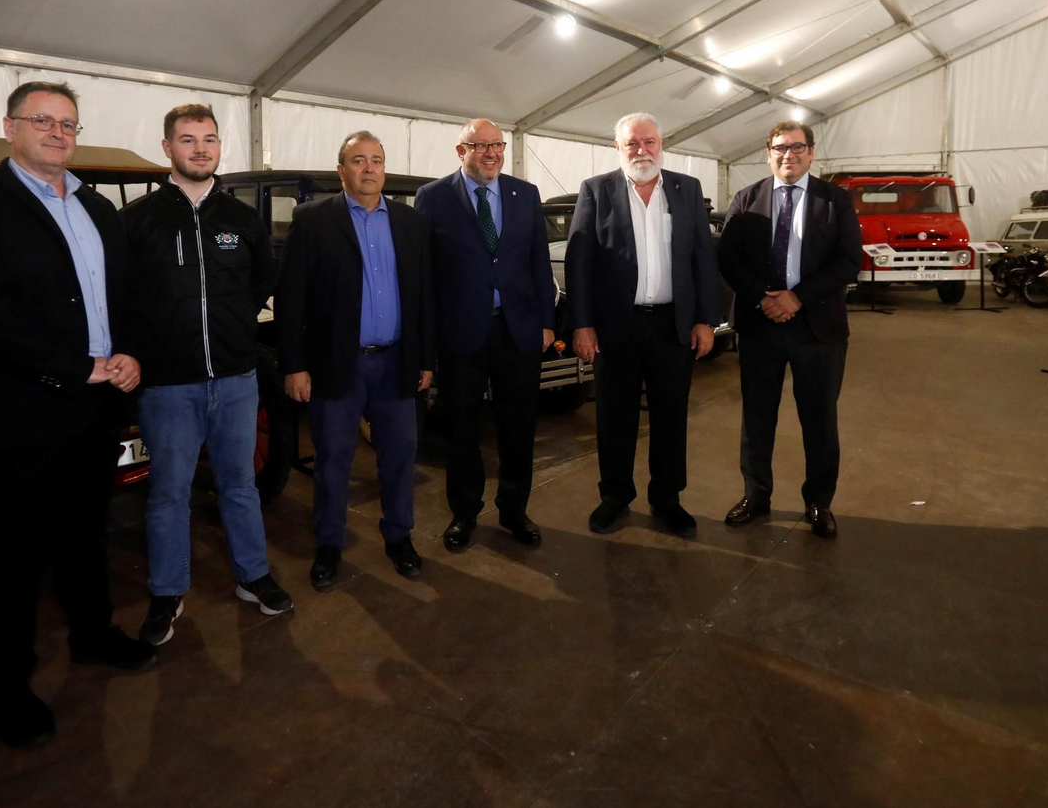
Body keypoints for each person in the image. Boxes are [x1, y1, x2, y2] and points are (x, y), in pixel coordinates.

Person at [0, 81, 153, 749]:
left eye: (68, 124)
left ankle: (92, 634)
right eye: (43, 121)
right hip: (22, 411)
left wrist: (129, 352)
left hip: (96, 406)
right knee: (13, 556)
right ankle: (8, 686)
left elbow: (124, 297)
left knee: (87, 531)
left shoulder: (98, 209)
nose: (58, 133)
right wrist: (73, 366)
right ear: (10, 127)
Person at [121, 103, 290, 648]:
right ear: (167, 147)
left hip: (237, 381)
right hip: (168, 386)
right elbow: (120, 298)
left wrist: (233, 330)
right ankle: (168, 590)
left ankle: (252, 574)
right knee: (169, 493)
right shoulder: (138, 221)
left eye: (209, 139)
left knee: (240, 485)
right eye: (188, 139)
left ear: (220, 146)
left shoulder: (242, 220)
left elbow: (261, 283)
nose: (200, 149)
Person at [275, 131, 435, 589]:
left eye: (376, 160)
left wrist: (425, 359)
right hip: (335, 363)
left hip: (396, 362)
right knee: (332, 460)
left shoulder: (410, 222)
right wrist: (294, 365)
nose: (369, 168)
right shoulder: (312, 220)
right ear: (341, 170)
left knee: (400, 456)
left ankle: (399, 537)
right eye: (359, 160)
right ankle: (329, 543)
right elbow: (291, 299)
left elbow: (424, 295)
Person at [564, 112, 718, 538]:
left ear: (661, 144)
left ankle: (667, 499)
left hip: (673, 324)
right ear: (618, 147)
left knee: (671, 415)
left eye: (649, 141)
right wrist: (582, 324)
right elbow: (579, 262)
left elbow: (702, 257)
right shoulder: (597, 190)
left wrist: (705, 319)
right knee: (614, 416)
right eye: (632, 143)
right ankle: (615, 496)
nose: (641, 150)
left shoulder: (687, 189)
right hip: (617, 325)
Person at [715, 120, 861, 539]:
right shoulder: (747, 199)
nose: (788, 155)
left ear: (811, 153)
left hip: (818, 328)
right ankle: (755, 495)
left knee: (820, 419)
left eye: (797, 147)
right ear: (768, 153)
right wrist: (763, 298)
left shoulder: (835, 201)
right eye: (780, 147)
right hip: (760, 326)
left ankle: (819, 503)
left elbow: (849, 260)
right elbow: (728, 258)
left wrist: (797, 298)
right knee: (757, 417)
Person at [414, 118, 554, 552]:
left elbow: (539, 262)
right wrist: (427, 337)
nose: (492, 153)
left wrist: (546, 321)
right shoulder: (433, 197)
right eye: (481, 146)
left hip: (518, 330)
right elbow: (425, 272)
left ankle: (514, 510)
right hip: (460, 334)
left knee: (519, 427)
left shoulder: (525, 194)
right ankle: (464, 512)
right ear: (461, 151)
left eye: (498, 145)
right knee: (461, 428)